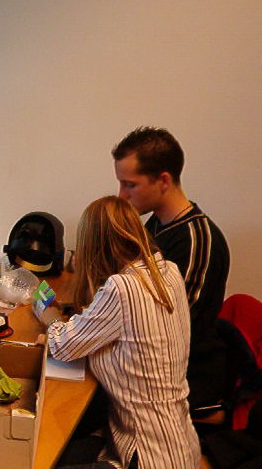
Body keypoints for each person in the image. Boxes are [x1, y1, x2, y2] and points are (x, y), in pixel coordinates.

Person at [44, 196, 200, 468]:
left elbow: (62, 347)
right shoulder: (168, 271)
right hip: (180, 445)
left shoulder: (122, 287)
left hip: (147, 455)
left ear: (93, 245)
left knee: (42, 454)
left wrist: (51, 319)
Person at [112, 126, 230, 414]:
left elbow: (167, 328)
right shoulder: (155, 224)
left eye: (130, 185)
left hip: (181, 377)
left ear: (163, 180)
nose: (122, 195)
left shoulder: (196, 240)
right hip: (146, 362)